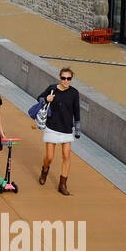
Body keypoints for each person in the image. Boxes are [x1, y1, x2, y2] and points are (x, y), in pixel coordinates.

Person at [37, 67, 81, 196]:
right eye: (63, 78)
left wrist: (77, 129)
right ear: (60, 78)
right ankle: (44, 170)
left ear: (71, 79)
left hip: (67, 128)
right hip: (52, 126)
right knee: (50, 157)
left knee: (66, 156)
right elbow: (39, 98)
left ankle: (62, 184)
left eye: (69, 78)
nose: (66, 81)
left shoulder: (74, 93)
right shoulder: (52, 88)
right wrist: (46, 99)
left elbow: (76, 111)